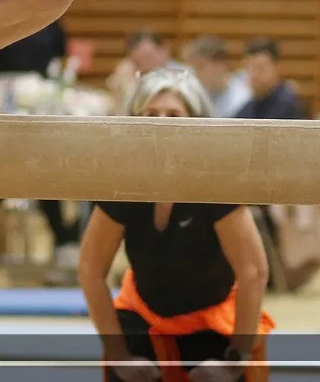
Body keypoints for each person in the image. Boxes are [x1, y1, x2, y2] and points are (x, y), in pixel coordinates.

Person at [79, 67, 275, 382]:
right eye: (151, 115)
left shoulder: (215, 184)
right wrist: (117, 353)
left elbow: (254, 272)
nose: (161, 124)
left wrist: (235, 358)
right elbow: (90, 268)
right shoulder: (123, 184)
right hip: (144, 311)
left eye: (173, 115)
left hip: (210, 319)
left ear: (196, 124)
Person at [233, 39, 307, 120]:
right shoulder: (249, 107)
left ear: (276, 67)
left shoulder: (288, 105)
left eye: (260, 68)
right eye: (250, 68)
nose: (255, 75)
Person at [184, 35, 253, 119]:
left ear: (221, 65)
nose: (195, 74)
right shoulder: (194, 97)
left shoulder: (243, 99)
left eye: (200, 67)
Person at [106, 32, 177, 113]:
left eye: (148, 57)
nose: (145, 65)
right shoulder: (134, 76)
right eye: (138, 62)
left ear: (163, 51)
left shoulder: (182, 76)